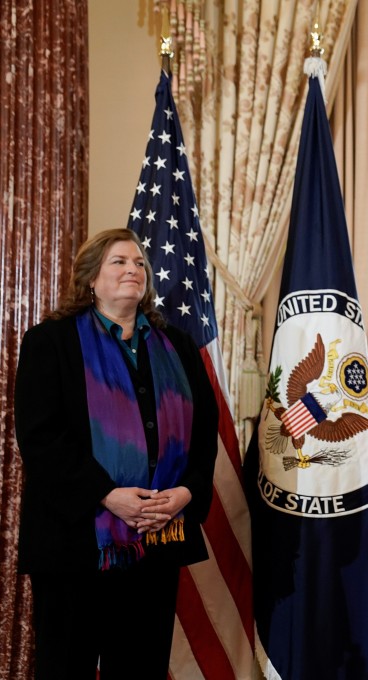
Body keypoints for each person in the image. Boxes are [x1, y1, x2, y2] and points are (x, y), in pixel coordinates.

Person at [14, 228, 218, 679]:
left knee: (141, 669)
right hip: (75, 545)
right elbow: (41, 438)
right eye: (119, 262)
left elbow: (206, 432)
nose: (133, 270)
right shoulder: (51, 342)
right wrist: (108, 495)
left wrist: (186, 492)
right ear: (91, 278)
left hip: (158, 539)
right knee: (66, 668)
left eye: (140, 263)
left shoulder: (178, 346)